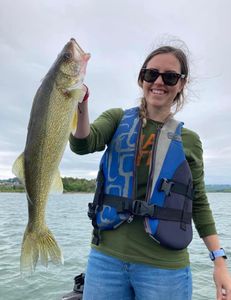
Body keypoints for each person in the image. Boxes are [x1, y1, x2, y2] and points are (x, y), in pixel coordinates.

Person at [69, 44, 231, 300]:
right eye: (151, 74)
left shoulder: (189, 140)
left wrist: (219, 261)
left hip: (164, 268)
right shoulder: (116, 119)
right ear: (141, 78)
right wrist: (80, 101)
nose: (159, 82)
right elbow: (82, 143)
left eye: (170, 77)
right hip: (105, 261)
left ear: (181, 84)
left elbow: (197, 201)